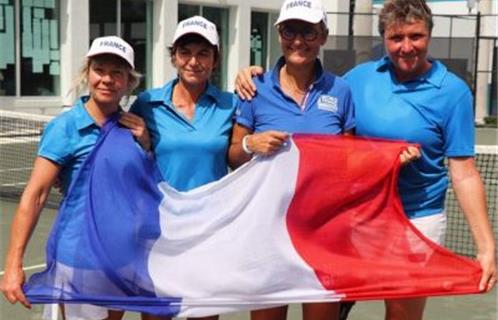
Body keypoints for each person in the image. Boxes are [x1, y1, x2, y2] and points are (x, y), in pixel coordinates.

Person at [234, 1, 496, 319]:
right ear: (383, 38)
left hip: (416, 218)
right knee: (333, 299)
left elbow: (464, 173)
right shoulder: (355, 81)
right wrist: (250, 72)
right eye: (396, 38)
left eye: (416, 36)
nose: (406, 47)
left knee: (401, 312)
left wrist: (486, 247)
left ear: (429, 35)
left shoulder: (453, 92)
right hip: (356, 217)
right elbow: (321, 110)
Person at [0, 36, 165, 320]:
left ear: (129, 82)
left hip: (122, 257)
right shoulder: (65, 127)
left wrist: (147, 145)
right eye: (100, 70)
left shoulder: (133, 129)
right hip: (80, 258)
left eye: (117, 73)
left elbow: (143, 190)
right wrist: (14, 264)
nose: (107, 79)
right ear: (87, 74)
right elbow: (36, 194)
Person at [227, 1, 355, 320]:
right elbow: (233, 156)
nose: (298, 40)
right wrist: (249, 142)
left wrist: (393, 160)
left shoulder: (340, 91)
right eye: (289, 30)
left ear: (323, 36)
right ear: (279, 34)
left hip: (322, 232)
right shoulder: (253, 88)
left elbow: (351, 161)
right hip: (267, 232)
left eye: (308, 31)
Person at [119, 15, 236, 320]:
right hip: (158, 229)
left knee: (204, 314)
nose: (193, 61)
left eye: (203, 53)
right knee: (157, 314)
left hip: (209, 230)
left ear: (215, 60)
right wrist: (144, 143)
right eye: (185, 52)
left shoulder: (231, 104)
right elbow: (124, 154)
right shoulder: (147, 103)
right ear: (173, 57)